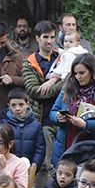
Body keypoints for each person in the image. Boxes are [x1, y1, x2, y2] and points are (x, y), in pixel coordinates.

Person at [50, 54, 95, 162]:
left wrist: (86, 125)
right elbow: (53, 111)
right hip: (67, 147)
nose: (78, 77)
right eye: (75, 73)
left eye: (82, 73)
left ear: (92, 71)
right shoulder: (67, 88)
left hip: (94, 150)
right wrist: (58, 117)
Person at [22, 21, 61, 166]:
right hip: (42, 119)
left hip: (63, 118)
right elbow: (34, 91)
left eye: (52, 37)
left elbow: (72, 81)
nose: (49, 41)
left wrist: (53, 81)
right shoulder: (30, 63)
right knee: (45, 163)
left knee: (64, 163)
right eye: (46, 37)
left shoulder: (62, 57)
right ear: (37, 38)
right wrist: (61, 84)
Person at [0, 88, 45, 170]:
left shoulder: (36, 125)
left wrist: (34, 165)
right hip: (8, 167)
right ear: (8, 105)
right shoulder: (3, 124)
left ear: (27, 104)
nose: (17, 108)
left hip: (28, 167)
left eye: (21, 104)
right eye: (13, 105)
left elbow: (40, 149)